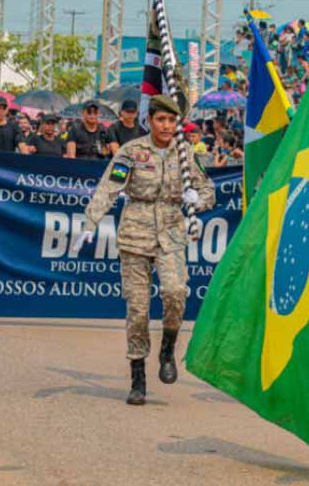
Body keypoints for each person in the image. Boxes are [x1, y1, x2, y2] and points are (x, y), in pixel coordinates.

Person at [77, 95, 215, 406]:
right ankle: (137, 377)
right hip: (135, 234)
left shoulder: (185, 154)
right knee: (138, 311)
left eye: (171, 120)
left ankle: (168, 348)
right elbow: (108, 187)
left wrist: (197, 199)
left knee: (176, 292)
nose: (167, 126)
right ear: (149, 121)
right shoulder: (132, 152)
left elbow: (208, 190)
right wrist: (90, 222)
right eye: (160, 120)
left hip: (170, 232)